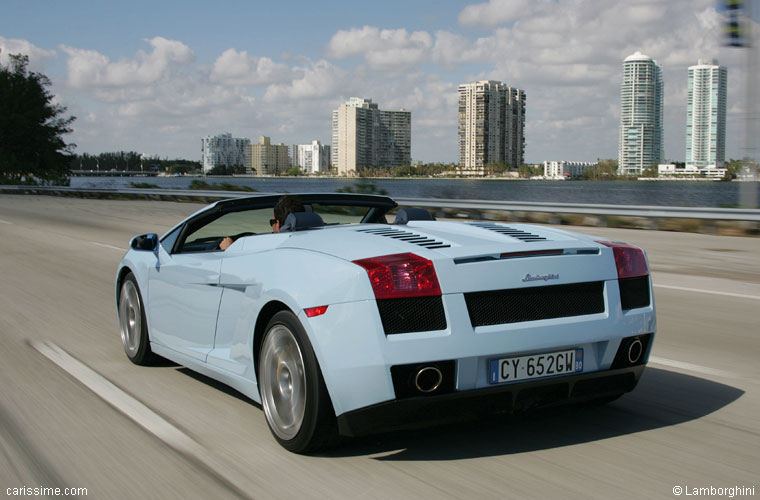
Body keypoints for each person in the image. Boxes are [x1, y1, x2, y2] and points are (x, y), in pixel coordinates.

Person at [219, 195, 304, 250]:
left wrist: (229, 249)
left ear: (277, 224)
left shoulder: (278, 249)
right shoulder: (308, 240)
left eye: (272, 222)